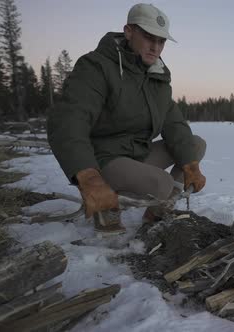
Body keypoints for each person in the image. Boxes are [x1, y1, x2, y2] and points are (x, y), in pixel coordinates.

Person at [48, 3, 206, 235]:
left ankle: (158, 212)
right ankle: (106, 206)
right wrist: (87, 176)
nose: (156, 47)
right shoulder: (96, 66)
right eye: (149, 37)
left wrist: (191, 165)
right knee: (161, 183)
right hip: (104, 160)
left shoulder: (156, 78)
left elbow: (174, 124)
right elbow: (69, 121)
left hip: (136, 154)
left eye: (161, 41)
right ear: (129, 31)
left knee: (194, 146)